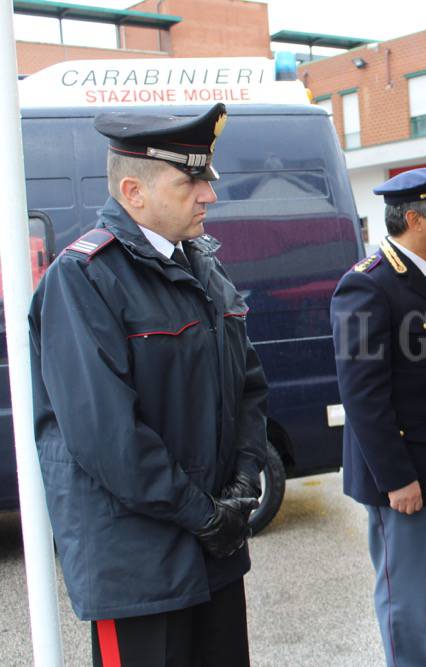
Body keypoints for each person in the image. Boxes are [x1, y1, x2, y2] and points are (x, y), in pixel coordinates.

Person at [28, 103, 267, 666]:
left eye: (207, 177)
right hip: (138, 571)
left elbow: (248, 389)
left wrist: (244, 480)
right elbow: (107, 439)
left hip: (213, 553)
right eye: (192, 180)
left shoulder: (203, 265)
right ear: (134, 191)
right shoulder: (84, 277)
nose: (209, 193)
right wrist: (204, 514)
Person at [330, 155, 426, 667]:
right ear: (414, 219)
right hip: (403, 477)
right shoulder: (367, 283)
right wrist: (396, 479)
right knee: (405, 602)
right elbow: (364, 395)